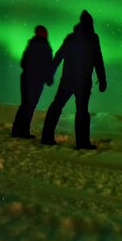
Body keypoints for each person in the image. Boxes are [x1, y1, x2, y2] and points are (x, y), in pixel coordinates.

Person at [41, 10, 107, 149]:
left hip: (67, 79)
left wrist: (50, 73)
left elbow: (59, 56)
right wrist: (102, 79)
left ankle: (46, 137)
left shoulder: (71, 37)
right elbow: (98, 59)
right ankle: (82, 143)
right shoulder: (93, 38)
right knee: (82, 111)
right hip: (82, 82)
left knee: (57, 106)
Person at [11, 25, 53, 138]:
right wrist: (48, 79)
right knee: (30, 105)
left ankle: (16, 130)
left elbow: (23, 63)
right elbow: (48, 64)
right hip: (36, 80)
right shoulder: (45, 46)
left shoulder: (31, 45)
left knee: (25, 105)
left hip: (26, 78)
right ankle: (23, 131)